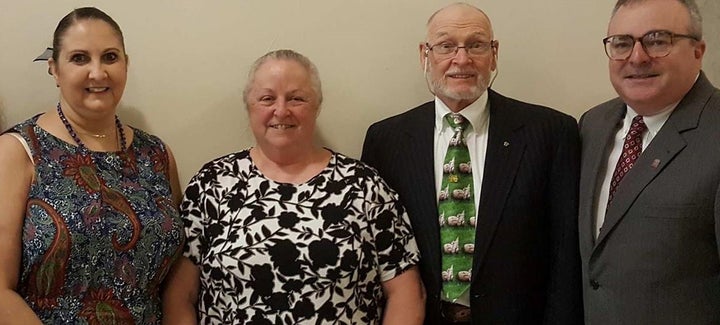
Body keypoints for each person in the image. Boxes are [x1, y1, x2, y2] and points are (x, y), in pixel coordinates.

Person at [163, 49, 425, 324]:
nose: (281, 110)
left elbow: (407, 293)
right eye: (267, 98)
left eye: (296, 98)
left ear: (317, 106)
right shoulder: (212, 184)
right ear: (249, 106)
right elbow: (180, 296)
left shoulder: (365, 187)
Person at [362, 3, 583, 324]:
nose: (461, 60)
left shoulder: (551, 132)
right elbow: (377, 253)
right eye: (446, 46)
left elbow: (565, 254)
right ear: (425, 54)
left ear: (494, 53)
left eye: (476, 45)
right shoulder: (386, 140)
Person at [0, 7, 185, 324]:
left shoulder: (157, 155)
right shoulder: (18, 151)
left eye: (110, 57)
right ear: (54, 69)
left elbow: (177, 275)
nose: (98, 73)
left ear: (126, 64)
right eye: (79, 58)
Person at [578, 0, 720, 323]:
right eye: (622, 43)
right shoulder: (593, 125)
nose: (637, 57)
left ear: (698, 51)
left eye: (658, 40)